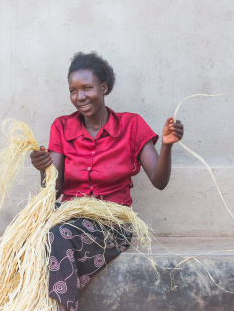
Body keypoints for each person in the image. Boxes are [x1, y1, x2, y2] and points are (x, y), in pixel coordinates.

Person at [30, 52, 184, 311]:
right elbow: (54, 191)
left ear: (103, 88)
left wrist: (167, 146)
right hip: (69, 215)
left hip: (111, 223)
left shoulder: (131, 125)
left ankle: (61, 308)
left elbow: (159, 180)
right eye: (73, 91)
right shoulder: (62, 127)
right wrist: (43, 169)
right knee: (28, 234)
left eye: (87, 88)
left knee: (56, 235)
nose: (79, 97)